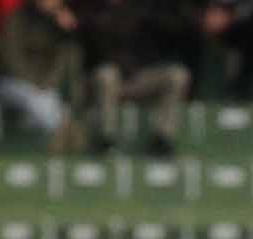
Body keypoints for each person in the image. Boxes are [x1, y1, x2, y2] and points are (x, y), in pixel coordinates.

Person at [72, 0, 195, 158]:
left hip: (139, 76)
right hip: (109, 79)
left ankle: (162, 139)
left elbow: (174, 29)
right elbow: (90, 47)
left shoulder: (144, 9)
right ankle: (106, 139)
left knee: (177, 75)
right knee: (107, 74)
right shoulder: (93, 11)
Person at [0, 0, 84, 153]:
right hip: (12, 82)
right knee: (42, 104)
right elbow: (11, 57)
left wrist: (67, 32)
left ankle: (55, 147)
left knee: (46, 105)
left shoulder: (57, 24)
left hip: (44, 86)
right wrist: (34, 83)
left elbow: (63, 62)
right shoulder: (18, 17)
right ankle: (62, 136)